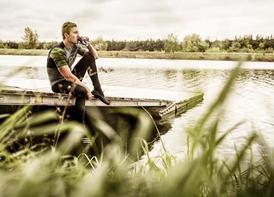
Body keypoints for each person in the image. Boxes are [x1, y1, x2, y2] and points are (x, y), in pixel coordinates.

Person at [47, 21, 110, 123]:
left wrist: (88, 44)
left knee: (89, 56)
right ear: (66, 35)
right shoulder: (57, 51)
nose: (78, 35)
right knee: (82, 91)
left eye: (78, 32)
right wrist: (87, 89)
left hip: (70, 78)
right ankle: (80, 125)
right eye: (75, 33)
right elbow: (67, 76)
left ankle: (98, 89)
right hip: (58, 83)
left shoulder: (75, 46)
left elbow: (95, 56)